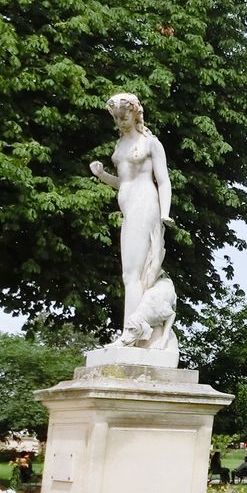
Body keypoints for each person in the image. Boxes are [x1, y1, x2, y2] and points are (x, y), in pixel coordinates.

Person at [89, 93, 176, 350]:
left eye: (123, 116)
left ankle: (132, 336)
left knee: (133, 275)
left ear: (135, 113)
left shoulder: (151, 143)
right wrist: (103, 175)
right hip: (129, 208)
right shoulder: (120, 146)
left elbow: (163, 181)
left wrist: (165, 213)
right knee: (132, 274)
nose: (120, 122)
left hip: (146, 205)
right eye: (115, 118)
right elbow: (123, 183)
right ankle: (135, 334)